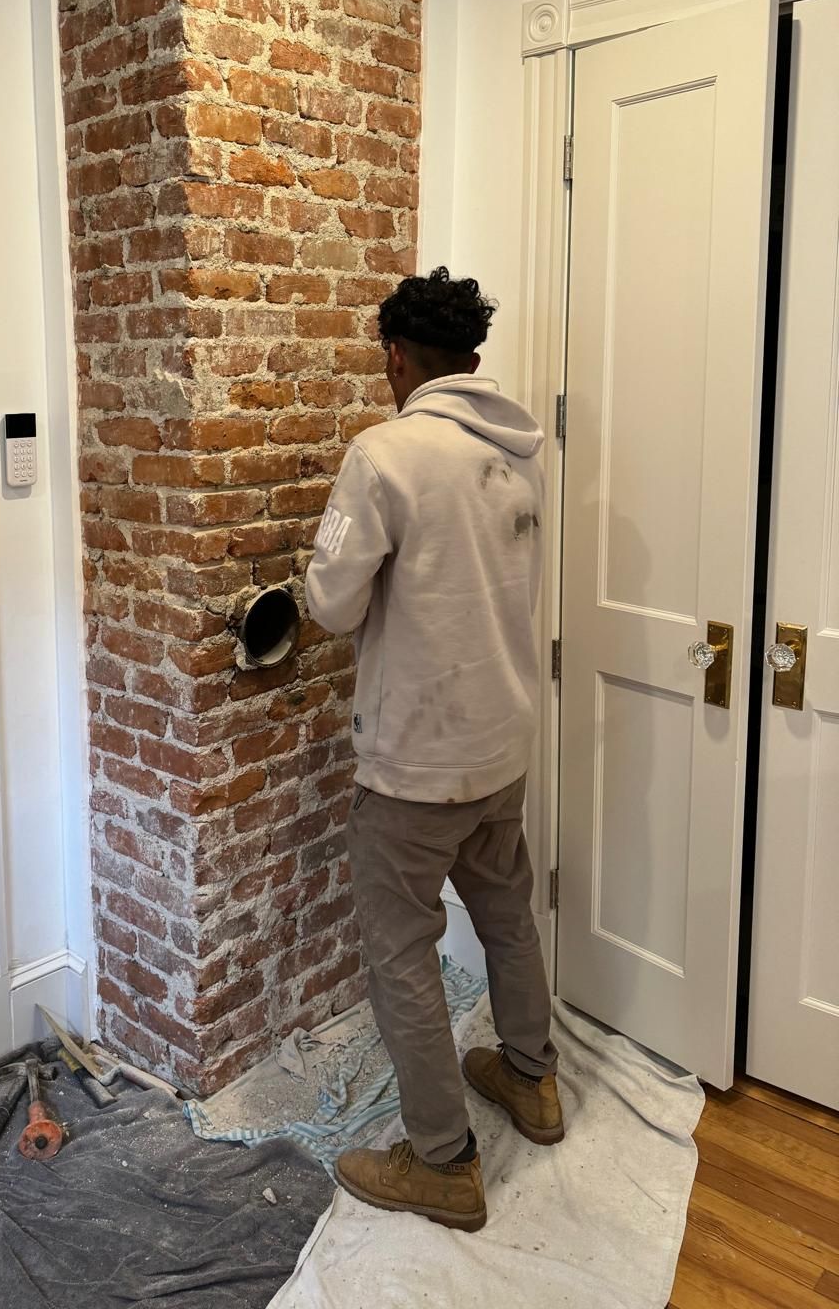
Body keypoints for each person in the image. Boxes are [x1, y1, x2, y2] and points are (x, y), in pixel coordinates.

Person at [305, 266, 562, 1232]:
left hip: (415, 764)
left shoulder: (386, 454)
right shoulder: (521, 452)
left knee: (400, 953)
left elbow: (331, 606)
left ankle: (443, 1162)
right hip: (502, 747)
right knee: (505, 914)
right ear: (473, 358)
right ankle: (533, 1082)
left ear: (396, 358)